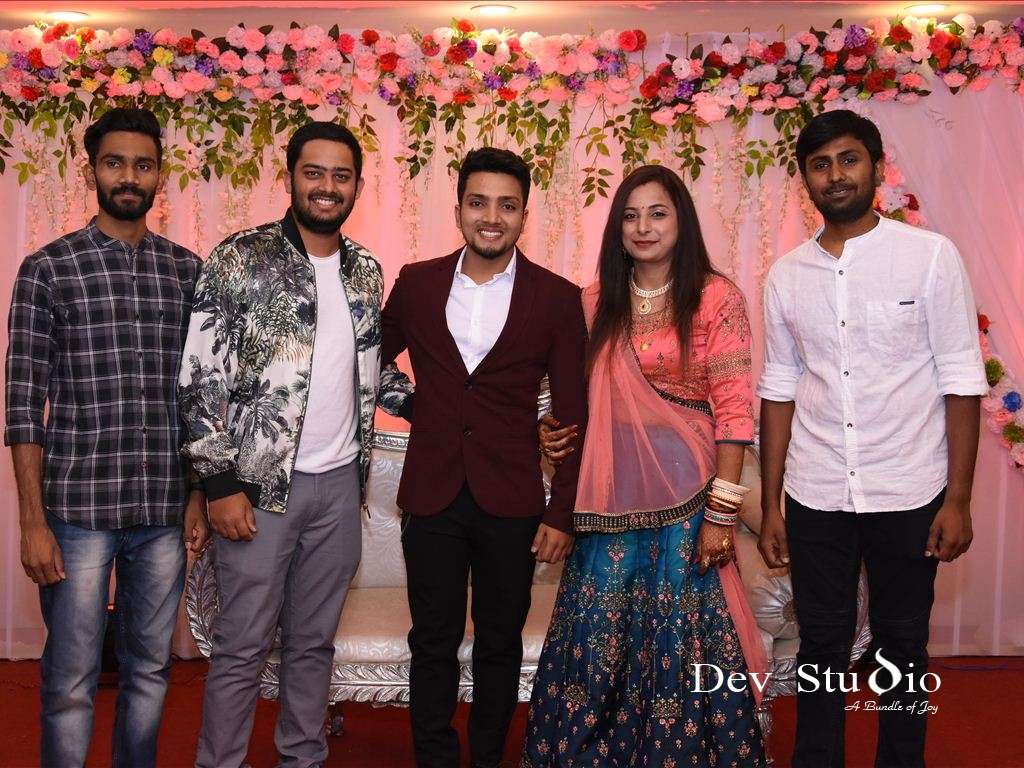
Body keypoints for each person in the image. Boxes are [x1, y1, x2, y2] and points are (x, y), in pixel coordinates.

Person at [756, 110, 987, 768]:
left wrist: (959, 499)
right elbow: (779, 389)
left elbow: (961, 378)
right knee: (821, 646)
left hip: (910, 488)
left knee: (902, 646)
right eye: (820, 165)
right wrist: (770, 504)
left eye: (849, 159)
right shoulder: (785, 276)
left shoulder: (929, 256)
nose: (836, 175)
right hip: (817, 489)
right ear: (805, 180)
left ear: (877, 167)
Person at [179, 121, 412, 768]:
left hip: (339, 489)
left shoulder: (365, 271)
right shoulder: (239, 259)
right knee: (241, 648)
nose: (327, 186)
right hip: (258, 491)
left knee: (313, 646)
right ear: (290, 178)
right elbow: (200, 377)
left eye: (341, 175)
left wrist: (450, 408)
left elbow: (374, 372)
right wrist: (218, 484)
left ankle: (303, 758)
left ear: (357, 186)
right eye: (315, 172)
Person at [524, 164, 767, 766]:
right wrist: (546, 430)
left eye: (658, 213)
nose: (643, 226)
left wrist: (721, 514)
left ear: (681, 220)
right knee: (599, 629)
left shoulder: (715, 297)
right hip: (609, 496)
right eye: (630, 216)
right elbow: (566, 393)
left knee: (680, 635)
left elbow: (734, 410)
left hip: (689, 499)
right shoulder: (592, 302)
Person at [4, 107, 208, 768]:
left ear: (159, 175)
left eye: (143, 165)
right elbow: (21, 405)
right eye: (115, 163)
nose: (129, 176)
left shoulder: (187, 272)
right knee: (70, 678)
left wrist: (197, 494)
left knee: (150, 672)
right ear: (91, 169)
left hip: (161, 511)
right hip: (76, 514)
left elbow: (199, 398)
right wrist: (32, 522)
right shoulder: (48, 269)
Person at [380, 147, 588, 768]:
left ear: (524, 215)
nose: (491, 217)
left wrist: (561, 512)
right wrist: (419, 407)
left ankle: (490, 757)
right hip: (432, 493)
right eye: (478, 203)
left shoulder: (557, 298)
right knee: (432, 641)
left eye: (506, 205)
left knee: (500, 643)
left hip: (513, 500)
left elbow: (573, 414)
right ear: (459, 210)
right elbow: (368, 360)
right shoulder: (417, 283)